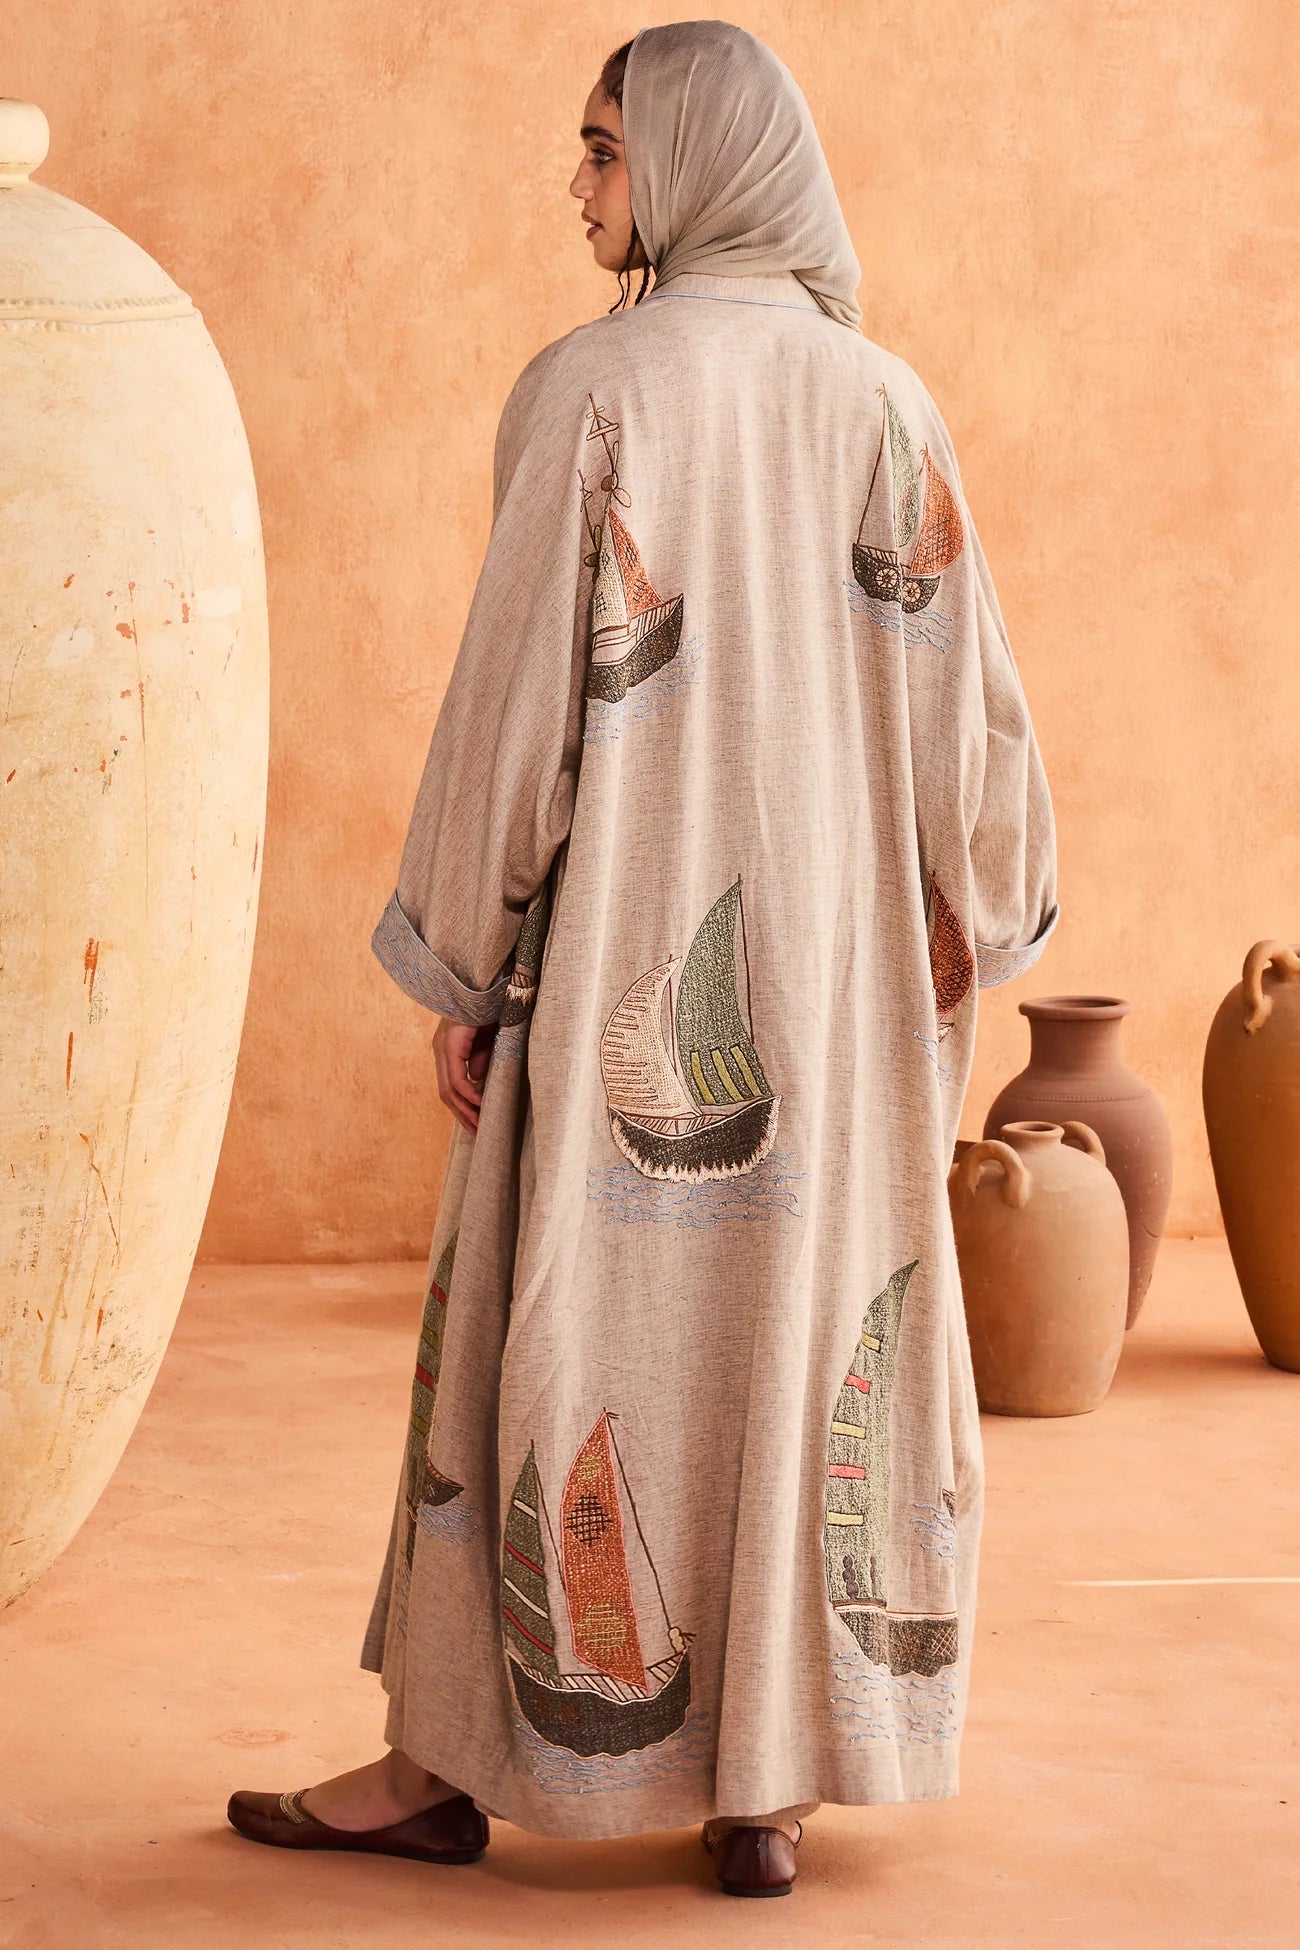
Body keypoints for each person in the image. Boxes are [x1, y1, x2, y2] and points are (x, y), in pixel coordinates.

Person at [227, 18, 1059, 1899]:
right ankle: (765, 1785)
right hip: (836, 986)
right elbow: (973, 719)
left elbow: (516, 710)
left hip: (624, 961)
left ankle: (441, 1768)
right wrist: (967, 930)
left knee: (563, 1337)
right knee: (799, 1342)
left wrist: (464, 965)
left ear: (693, 163)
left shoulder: (594, 391)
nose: (580, 181)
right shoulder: (885, 404)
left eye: (604, 147)